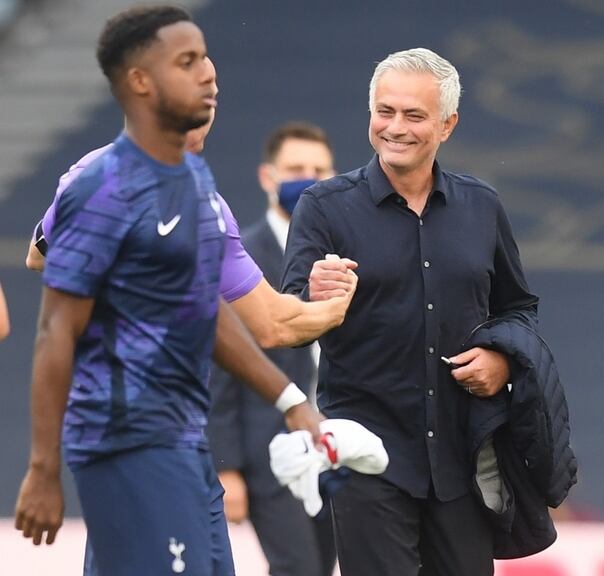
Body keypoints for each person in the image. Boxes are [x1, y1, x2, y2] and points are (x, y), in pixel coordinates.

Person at [11, 7, 322, 576]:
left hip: (186, 443)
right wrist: (42, 467)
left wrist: (291, 398)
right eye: (188, 63)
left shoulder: (199, 190)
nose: (207, 77)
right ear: (141, 84)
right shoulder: (101, 182)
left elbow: (235, 318)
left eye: (207, 63)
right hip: (127, 444)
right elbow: (52, 321)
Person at [281, 48, 540, 576]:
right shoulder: (323, 206)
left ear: (448, 125)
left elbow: (519, 309)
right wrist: (313, 296)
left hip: (463, 463)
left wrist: (503, 361)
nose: (394, 127)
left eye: (414, 115)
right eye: (384, 111)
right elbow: (287, 322)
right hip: (365, 460)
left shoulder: (482, 206)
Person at [24, 76, 355, 350]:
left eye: (212, 95)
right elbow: (273, 326)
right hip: (158, 412)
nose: (209, 107)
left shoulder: (90, 170)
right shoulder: (202, 209)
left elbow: (39, 257)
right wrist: (336, 307)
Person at [209, 122, 338, 576]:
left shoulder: (345, 257)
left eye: (319, 170)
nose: (308, 178)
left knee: (321, 568)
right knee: (298, 570)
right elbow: (222, 366)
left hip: (338, 448)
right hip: (269, 453)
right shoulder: (240, 255)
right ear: (268, 177)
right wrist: (227, 467)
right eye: (296, 168)